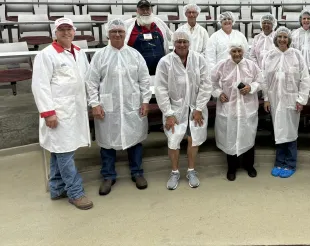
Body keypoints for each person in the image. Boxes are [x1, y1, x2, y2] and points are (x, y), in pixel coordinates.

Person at [31, 17, 93, 210]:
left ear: (74, 31)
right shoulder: (46, 55)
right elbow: (39, 86)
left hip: (76, 111)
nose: (66, 33)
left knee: (61, 150)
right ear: (55, 33)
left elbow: (87, 79)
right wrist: (48, 112)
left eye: (69, 29)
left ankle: (57, 187)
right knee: (64, 152)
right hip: (58, 112)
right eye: (61, 30)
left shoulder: (79, 53)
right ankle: (75, 192)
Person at [85, 19, 152, 196]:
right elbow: (91, 82)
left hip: (133, 105)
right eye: (113, 31)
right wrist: (95, 103)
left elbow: (144, 81)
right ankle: (108, 176)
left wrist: (145, 101)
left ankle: (137, 173)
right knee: (107, 142)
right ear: (108, 34)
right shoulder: (100, 56)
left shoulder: (135, 55)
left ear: (125, 34)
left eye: (120, 32)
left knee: (135, 139)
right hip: (108, 107)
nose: (117, 34)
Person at [155, 29, 212, 190]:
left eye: (184, 41)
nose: (181, 44)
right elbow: (160, 89)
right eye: (178, 41)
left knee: (193, 138)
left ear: (189, 43)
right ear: (173, 43)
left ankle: (191, 171)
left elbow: (206, 85)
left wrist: (199, 107)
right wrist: (168, 113)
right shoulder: (165, 62)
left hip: (195, 108)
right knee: (173, 141)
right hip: (175, 109)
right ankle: (174, 172)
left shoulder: (198, 59)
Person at [262, 27, 310, 178]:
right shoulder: (269, 56)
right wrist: (266, 99)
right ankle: (279, 162)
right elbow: (264, 79)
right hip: (275, 99)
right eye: (280, 36)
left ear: (289, 39)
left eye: (285, 37)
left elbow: (305, 79)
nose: (282, 39)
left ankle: (290, 163)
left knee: (290, 131)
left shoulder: (296, 55)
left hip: (291, 100)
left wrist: (301, 99)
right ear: (276, 38)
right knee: (278, 130)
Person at [212, 41, 263, 181]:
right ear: (229, 52)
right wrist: (218, 93)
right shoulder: (222, 65)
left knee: (248, 136)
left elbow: (260, 81)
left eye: (239, 51)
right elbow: (211, 82)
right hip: (229, 109)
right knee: (230, 137)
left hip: (247, 109)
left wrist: (250, 87)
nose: (237, 54)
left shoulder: (251, 65)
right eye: (234, 51)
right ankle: (232, 168)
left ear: (244, 51)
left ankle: (249, 166)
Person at [125, 0, 172, 75]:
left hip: (160, 69)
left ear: (151, 10)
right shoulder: (128, 24)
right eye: (142, 9)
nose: (145, 12)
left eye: (147, 9)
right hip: (137, 71)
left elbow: (172, 37)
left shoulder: (159, 23)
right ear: (137, 11)